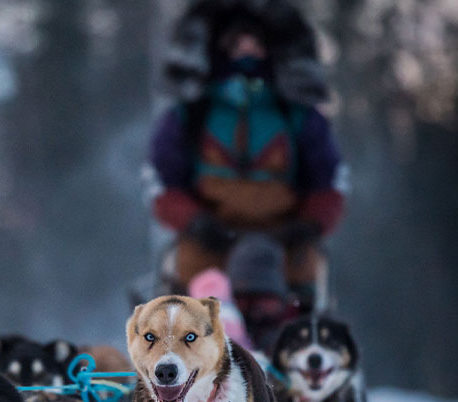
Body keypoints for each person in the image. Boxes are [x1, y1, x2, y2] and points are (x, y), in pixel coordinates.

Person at [148, 0, 346, 350]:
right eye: (236, 43)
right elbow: (163, 181)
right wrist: (193, 221)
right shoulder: (191, 112)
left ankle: (288, 367)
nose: (246, 51)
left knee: (299, 303)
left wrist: (309, 225)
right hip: (207, 239)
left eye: (255, 42)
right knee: (188, 308)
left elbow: (327, 182)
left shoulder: (299, 113)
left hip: (284, 240)